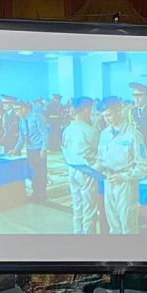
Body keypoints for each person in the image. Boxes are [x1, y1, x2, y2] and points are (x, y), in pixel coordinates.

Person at [96, 96, 147, 234]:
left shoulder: (134, 135)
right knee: (113, 225)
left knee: (128, 226)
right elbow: (101, 159)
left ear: (119, 110)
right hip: (108, 182)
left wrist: (124, 176)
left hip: (126, 185)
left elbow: (144, 168)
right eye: (104, 116)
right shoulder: (104, 134)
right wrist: (93, 169)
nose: (106, 120)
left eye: (109, 115)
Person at [61, 97, 99, 234]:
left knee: (77, 205)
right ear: (86, 110)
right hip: (86, 172)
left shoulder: (67, 129)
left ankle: (77, 233)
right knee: (89, 208)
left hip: (71, 170)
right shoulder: (90, 131)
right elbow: (98, 151)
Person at [9, 101, 48, 203]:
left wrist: (44, 149)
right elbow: (21, 138)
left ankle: (42, 194)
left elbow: (44, 134)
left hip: (39, 149)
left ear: (23, 109)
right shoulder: (22, 121)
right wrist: (15, 150)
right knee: (33, 172)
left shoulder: (37, 117)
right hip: (30, 149)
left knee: (41, 172)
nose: (15, 113)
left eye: (16, 110)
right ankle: (35, 193)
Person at [128, 83, 147, 172]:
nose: (136, 99)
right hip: (134, 152)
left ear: (146, 96)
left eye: (140, 96)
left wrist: (140, 145)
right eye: (135, 96)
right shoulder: (131, 112)